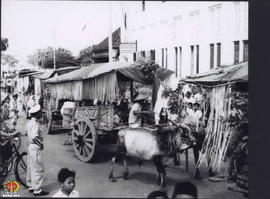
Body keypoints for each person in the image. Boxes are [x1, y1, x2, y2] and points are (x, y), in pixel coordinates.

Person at [24, 104, 49, 196]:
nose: (41, 113)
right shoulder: (35, 124)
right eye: (40, 112)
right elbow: (35, 137)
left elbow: (25, 132)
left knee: (31, 167)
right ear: (36, 114)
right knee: (38, 168)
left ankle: (31, 185)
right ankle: (37, 190)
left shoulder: (29, 123)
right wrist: (41, 145)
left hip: (30, 146)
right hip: (35, 147)